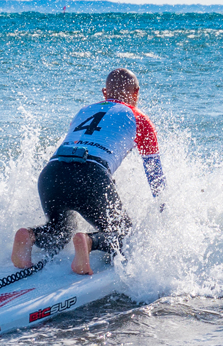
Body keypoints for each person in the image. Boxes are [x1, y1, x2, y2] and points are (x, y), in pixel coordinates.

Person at [12, 68, 166, 275]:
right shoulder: (140, 119)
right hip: (91, 174)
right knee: (125, 234)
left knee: (60, 230)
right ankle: (88, 241)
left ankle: (30, 235)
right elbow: (155, 175)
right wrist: (165, 210)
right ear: (136, 92)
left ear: (105, 93)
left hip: (52, 172)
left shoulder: (83, 111)